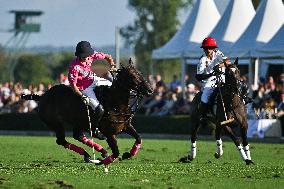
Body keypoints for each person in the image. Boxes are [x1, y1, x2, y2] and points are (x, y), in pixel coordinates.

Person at [68, 41, 115, 140]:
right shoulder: (74, 66)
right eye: (83, 56)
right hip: (84, 88)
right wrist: (82, 96)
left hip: (94, 80)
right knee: (99, 109)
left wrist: (112, 66)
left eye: (86, 55)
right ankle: (93, 130)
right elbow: (73, 86)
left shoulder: (92, 55)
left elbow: (108, 56)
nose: (85, 58)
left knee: (114, 87)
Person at [195, 37, 227, 123]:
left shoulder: (218, 53)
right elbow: (199, 76)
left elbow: (228, 62)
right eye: (206, 48)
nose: (208, 50)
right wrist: (211, 74)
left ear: (213, 48)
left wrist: (218, 66)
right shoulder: (202, 59)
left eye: (210, 47)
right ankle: (204, 115)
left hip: (222, 79)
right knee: (204, 98)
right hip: (208, 82)